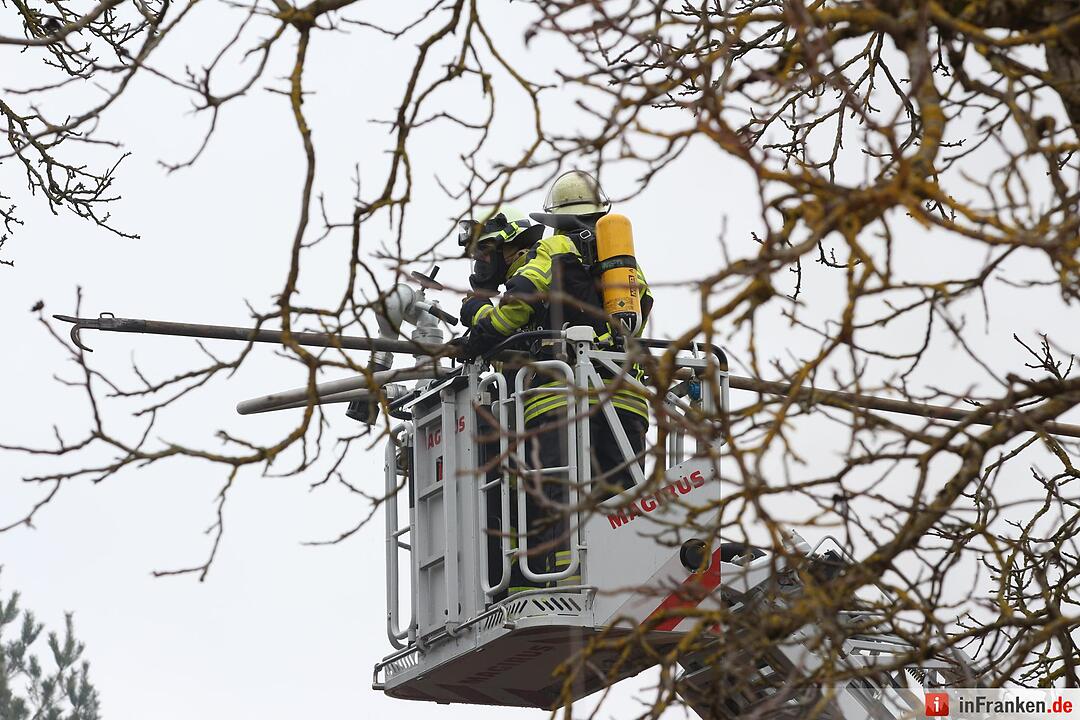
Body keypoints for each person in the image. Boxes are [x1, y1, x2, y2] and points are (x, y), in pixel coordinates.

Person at [456, 175, 654, 586]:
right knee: (620, 499)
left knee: (558, 500)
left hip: (559, 398)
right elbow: (640, 312)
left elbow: (513, 312)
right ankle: (623, 575)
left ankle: (567, 581)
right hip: (626, 396)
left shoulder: (553, 248)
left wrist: (475, 314)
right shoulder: (624, 266)